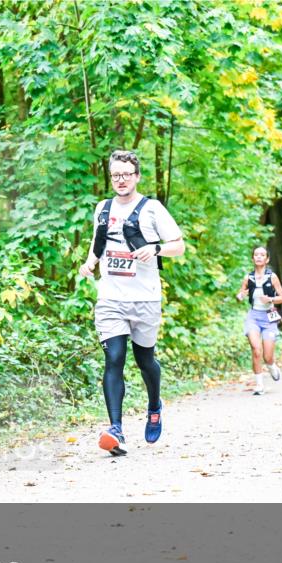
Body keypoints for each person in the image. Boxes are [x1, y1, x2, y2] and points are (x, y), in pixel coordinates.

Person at [79, 149, 185, 456]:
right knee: (114, 358)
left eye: (126, 174)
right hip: (111, 298)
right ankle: (116, 430)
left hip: (145, 299)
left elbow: (179, 246)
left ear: (137, 176)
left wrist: (156, 250)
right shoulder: (103, 207)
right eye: (115, 175)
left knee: (145, 361)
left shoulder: (152, 209)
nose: (121, 180)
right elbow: (96, 243)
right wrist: (89, 264)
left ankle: (154, 405)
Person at [237, 246, 282, 395]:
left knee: (267, 356)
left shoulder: (272, 277)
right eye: (256, 255)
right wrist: (240, 296)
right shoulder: (248, 278)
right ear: (253, 258)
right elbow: (240, 295)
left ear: (267, 259)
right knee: (255, 349)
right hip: (253, 316)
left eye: (262, 255)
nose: (259, 257)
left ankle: (272, 366)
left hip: (269, 316)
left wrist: (271, 299)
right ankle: (259, 385)